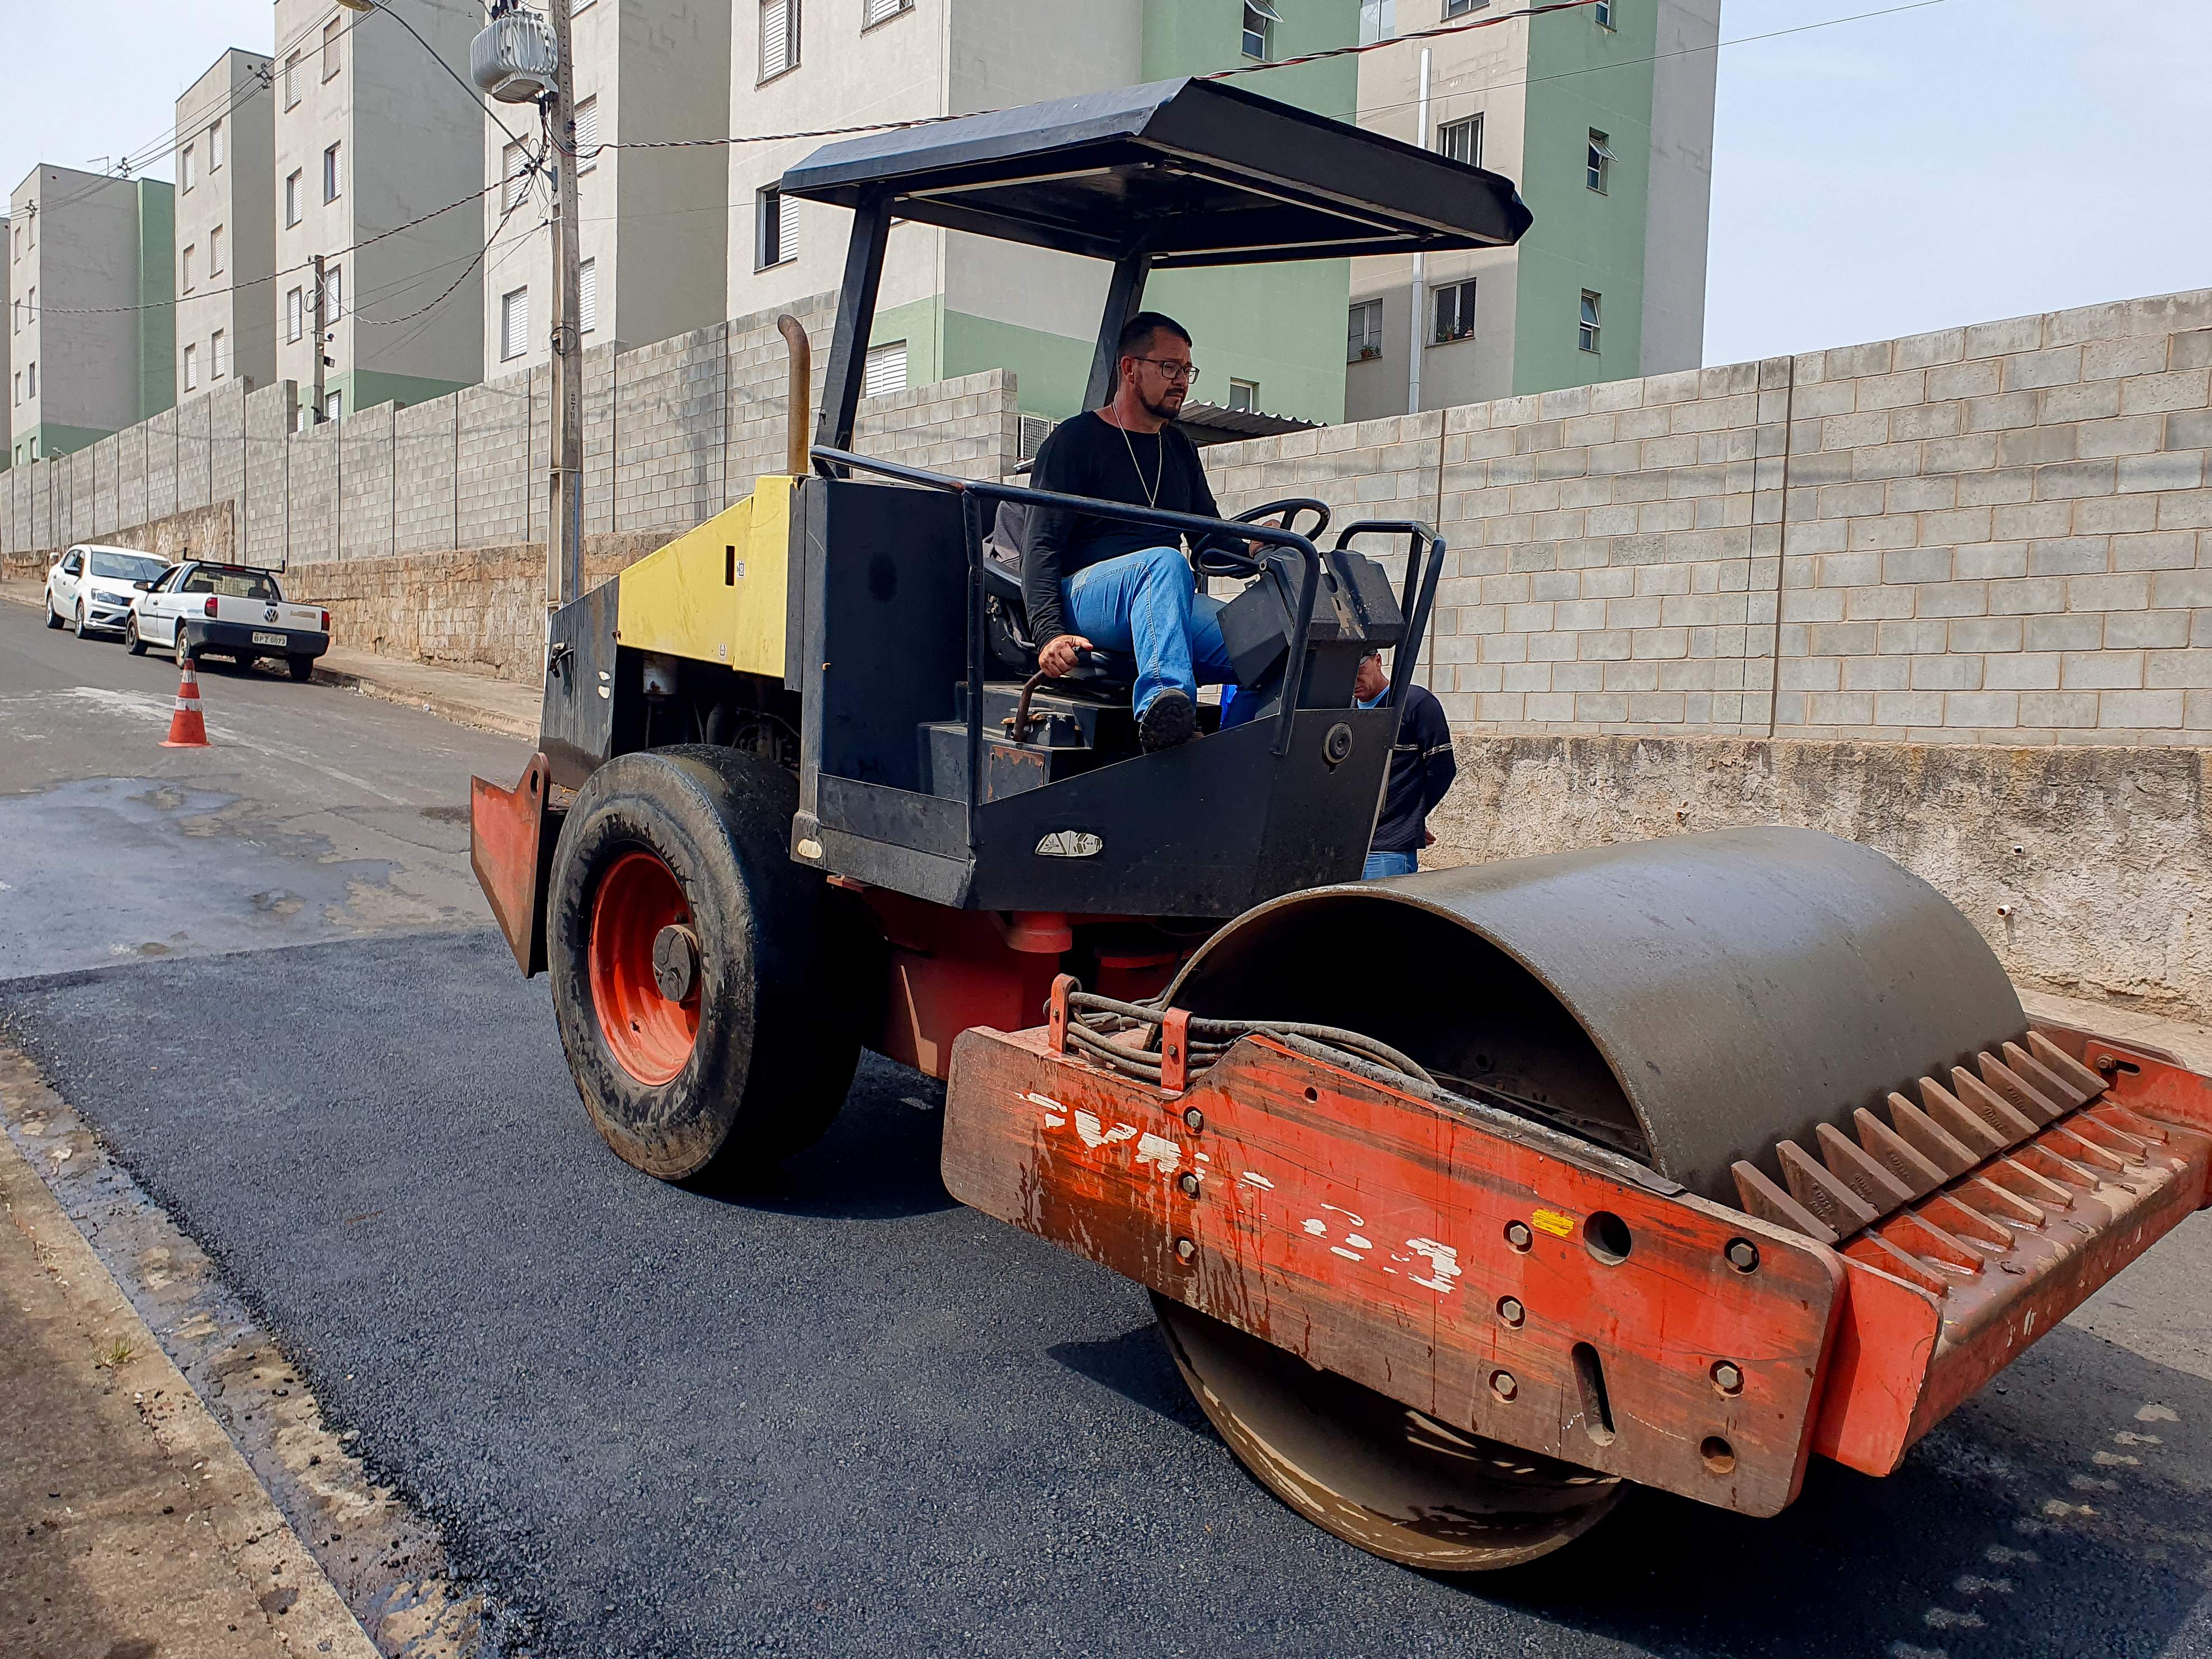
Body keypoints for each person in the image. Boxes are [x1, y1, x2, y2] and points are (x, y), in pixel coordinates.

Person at [1022, 311, 1241, 752]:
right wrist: (1048, 633)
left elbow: (1209, 540)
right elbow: (1040, 546)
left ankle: (1251, 758)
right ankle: (1165, 708)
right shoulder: (1075, 442)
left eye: (1187, 370)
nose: (1181, 380)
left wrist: (1256, 545)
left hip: (1165, 595)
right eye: (1169, 367)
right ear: (1130, 369)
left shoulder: (1179, 449)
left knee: (1269, 643)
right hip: (1088, 597)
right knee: (1164, 562)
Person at [1354, 650, 1457, 880]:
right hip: (1345, 849)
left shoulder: (1416, 704)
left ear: (1378, 661)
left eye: (1360, 669)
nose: (1354, 678)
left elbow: (1443, 769)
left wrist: (1411, 816)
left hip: (1388, 850)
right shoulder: (1343, 709)